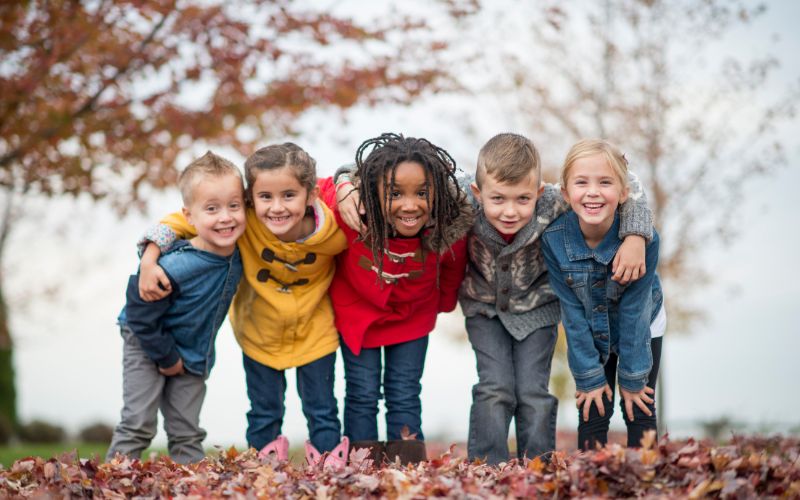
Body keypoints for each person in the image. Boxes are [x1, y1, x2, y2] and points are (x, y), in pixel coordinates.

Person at [137, 143, 349, 468]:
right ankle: (263, 473)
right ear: (252, 198)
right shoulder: (241, 221)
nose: (276, 208)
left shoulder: (335, 232)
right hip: (258, 333)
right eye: (265, 197)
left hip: (315, 332)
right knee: (264, 411)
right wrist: (149, 259)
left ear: (310, 195)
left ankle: (330, 474)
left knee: (322, 410)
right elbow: (181, 220)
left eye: (288, 196)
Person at [458, 133, 654, 464]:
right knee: (495, 388)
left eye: (522, 199)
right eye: (498, 199)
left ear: (538, 191)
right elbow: (421, 168)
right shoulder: (463, 195)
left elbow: (624, 184)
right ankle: (486, 466)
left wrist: (635, 234)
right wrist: (347, 184)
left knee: (533, 393)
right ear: (479, 194)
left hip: (539, 309)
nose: (510, 211)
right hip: (484, 310)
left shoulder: (553, 201)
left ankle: (538, 464)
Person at [326, 133, 473, 464]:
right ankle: (362, 467)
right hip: (357, 316)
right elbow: (321, 188)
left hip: (413, 317)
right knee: (362, 393)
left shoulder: (447, 224)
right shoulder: (352, 212)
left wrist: (444, 303)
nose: (410, 205)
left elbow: (453, 264)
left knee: (404, 392)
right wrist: (344, 187)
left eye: (422, 193)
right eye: (395, 194)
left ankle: (407, 467)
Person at [107, 151, 246, 464]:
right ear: (189, 217)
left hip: (194, 350)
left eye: (234, 206)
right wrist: (167, 357)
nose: (226, 216)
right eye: (212, 208)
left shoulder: (240, 246)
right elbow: (140, 313)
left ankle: (192, 487)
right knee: (138, 424)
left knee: (186, 429)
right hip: (147, 342)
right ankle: (111, 483)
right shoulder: (175, 265)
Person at [541, 138, 665, 450]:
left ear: (624, 192)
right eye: (582, 182)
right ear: (566, 193)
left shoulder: (644, 240)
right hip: (587, 324)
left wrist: (634, 378)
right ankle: (591, 482)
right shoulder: (554, 241)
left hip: (642, 325)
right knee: (593, 407)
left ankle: (646, 479)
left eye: (605, 182)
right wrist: (588, 377)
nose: (593, 191)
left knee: (640, 407)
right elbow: (571, 313)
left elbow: (635, 309)